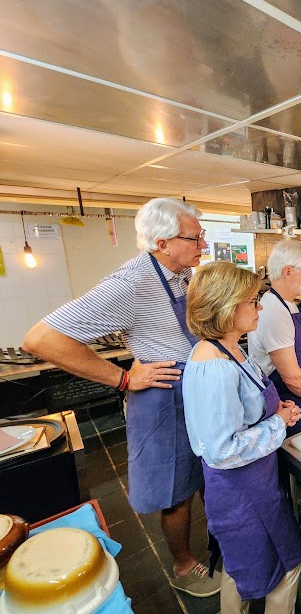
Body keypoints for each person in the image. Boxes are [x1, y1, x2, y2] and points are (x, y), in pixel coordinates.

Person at [22, 198, 220, 597]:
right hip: (164, 397)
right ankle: (183, 566)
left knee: (210, 476)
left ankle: (221, 543)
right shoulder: (131, 284)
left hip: (198, 389)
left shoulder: (182, 274)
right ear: (162, 243)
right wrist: (124, 378)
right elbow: (41, 339)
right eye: (195, 238)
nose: (203, 245)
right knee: (176, 492)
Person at [182, 262, 301, 614]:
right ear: (225, 307)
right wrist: (278, 423)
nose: (259, 307)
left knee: (241, 568)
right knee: (286, 566)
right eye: (252, 301)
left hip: (256, 484)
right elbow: (222, 451)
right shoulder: (214, 367)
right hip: (242, 493)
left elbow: (244, 408)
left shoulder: (230, 349)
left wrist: (274, 409)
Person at [248, 241, 301, 436]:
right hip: (290, 402)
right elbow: (292, 378)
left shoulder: (289, 305)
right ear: (288, 272)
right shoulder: (274, 311)